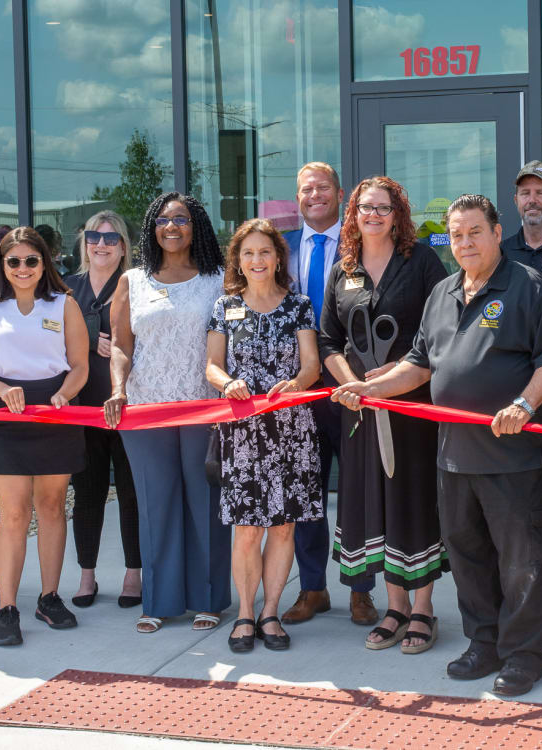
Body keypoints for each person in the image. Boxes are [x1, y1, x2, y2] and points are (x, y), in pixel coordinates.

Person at [334, 193, 542, 696]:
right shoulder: (442, 292)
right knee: (468, 558)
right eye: (457, 234)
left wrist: (525, 406)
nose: (465, 243)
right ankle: (483, 642)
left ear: (494, 232)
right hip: (452, 456)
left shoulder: (528, 287)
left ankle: (525, 655)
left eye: (475, 233)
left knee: (521, 562)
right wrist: (370, 388)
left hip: (512, 458)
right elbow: (419, 363)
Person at [321, 177, 449, 653]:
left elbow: (436, 333)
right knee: (376, 501)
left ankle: (423, 610)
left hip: (412, 406)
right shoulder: (343, 269)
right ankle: (395, 607)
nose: (373, 215)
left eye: (383, 208)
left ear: (398, 215)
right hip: (358, 411)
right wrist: (350, 384)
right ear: (353, 214)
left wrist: (384, 379)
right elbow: (330, 340)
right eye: (364, 208)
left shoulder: (422, 263)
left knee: (410, 498)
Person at [104, 192, 231, 635]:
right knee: (156, 503)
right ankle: (158, 601)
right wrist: (118, 389)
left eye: (181, 219)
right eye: (162, 219)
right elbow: (121, 344)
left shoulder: (219, 279)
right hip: (145, 410)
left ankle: (209, 598)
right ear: (150, 228)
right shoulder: (132, 280)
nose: (171, 227)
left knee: (204, 502)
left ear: (197, 226)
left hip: (204, 407)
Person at [0, 226, 89, 646]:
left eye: (31, 260)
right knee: (14, 514)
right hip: (4, 411)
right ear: (1, 264)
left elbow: (80, 365)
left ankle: (49, 598)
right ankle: (7, 608)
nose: (22, 268)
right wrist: (0, 391)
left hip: (55, 411)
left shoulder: (64, 304)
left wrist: (64, 395)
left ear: (44, 263)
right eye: (13, 261)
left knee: (51, 507)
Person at [206, 218, 323, 653]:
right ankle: (245, 614)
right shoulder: (225, 307)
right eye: (248, 253)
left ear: (278, 259)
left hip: (291, 431)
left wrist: (296, 385)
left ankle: (271, 611)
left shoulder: (299, 306)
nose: (257, 260)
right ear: (239, 259)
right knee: (247, 530)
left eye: (265, 252)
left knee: (283, 528)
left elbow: (311, 365)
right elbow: (211, 365)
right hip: (241, 433)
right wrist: (225, 382)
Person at [279, 161, 378, 627]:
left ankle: (361, 589)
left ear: (340, 195)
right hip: (299, 390)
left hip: (351, 385)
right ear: (296, 197)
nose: (313, 195)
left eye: (322, 188)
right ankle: (312, 587)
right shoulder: (280, 250)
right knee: (306, 493)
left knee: (357, 489)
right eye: (305, 189)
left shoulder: (361, 244)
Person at [64, 210, 141, 609]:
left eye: (111, 239)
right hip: (83, 408)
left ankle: (133, 574)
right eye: (94, 236)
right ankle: (86, 575)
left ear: (124, 246)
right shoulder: (66, 287)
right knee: (87, 492)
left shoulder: (135, 285)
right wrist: (89, 339)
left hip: (125, 403)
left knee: (130, 493)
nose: (101, 245)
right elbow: (49, 338)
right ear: (84, 241)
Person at [500, 161, 542, 282]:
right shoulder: (501, 253)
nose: (532, 200)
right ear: (516, 200)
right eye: (525, 193)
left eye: (540, 193)